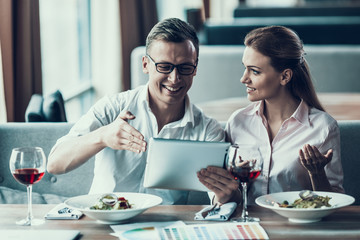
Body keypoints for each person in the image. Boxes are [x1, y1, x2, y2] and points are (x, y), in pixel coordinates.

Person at [47, 18, 225, 205]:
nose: (174, 78)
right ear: (145, 65)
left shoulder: (208, 130)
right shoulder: (112, 107)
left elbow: (219, 199)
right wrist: (103, 136)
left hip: (165, 226)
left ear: (195, 68)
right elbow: (55, 164)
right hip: (104, 220)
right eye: (164, 66)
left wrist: (226, 196)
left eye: (185, 68)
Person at [197, 26, 344, 205]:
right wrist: (229, 187)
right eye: (245, 68)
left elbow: (335, 201)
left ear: (285, 77)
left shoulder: (323, 127)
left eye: (255, 71)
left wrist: (317, 172)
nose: (244, 78)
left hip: (297, 228)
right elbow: (231, 199)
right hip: (248, 227)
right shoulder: (238, 122)